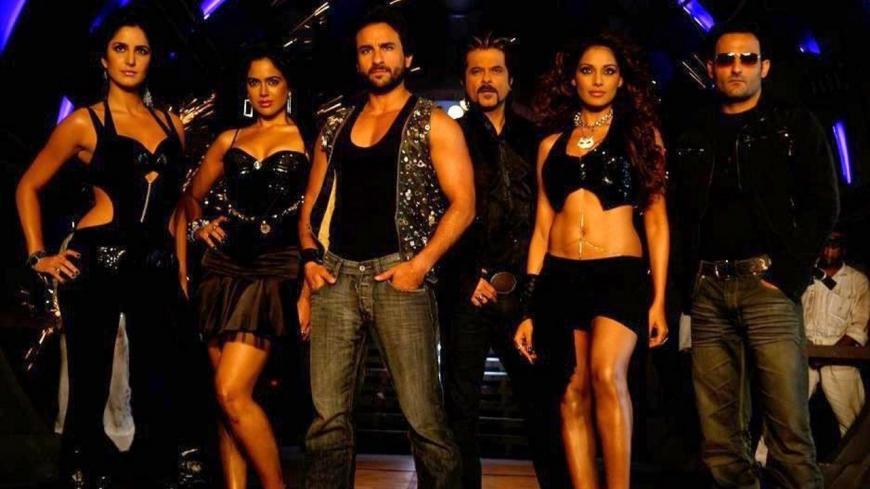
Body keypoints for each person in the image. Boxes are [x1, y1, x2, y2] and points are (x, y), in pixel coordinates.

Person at [297, 7, 474, 488]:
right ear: (357, 61)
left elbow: (464, 205)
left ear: (407, 57)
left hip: (399, 276)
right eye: (367, 50)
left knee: (425, 420)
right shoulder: (335, 125)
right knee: (326, 422)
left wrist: (420, 265)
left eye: (387, 48)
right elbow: (310, 207)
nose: (377, 58)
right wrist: (310, 263)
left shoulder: (433, 122)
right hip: (335, 278)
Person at [15, 8, 186, 488]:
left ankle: (146, 477)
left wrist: (181, 270)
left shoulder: (173, 125)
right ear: (104, 59)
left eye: (141, 50)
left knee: (156, 384)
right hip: (96, 263)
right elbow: (27, 186)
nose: (130, 59)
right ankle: (80, 476)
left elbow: (176, 207)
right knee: (89, 385)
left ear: (151, 59)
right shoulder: (84, 123)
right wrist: (38, 256)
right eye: (120, 48)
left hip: (155, 265)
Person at [669, 22, 839, 489]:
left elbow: (824, 203)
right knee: (719, 440)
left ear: (764, 67)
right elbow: (676, 213)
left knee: (789, 430)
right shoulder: (693, 131)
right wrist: (686, 285)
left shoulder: (793, 125)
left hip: (768, 285)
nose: (736, 67)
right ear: (711, 68)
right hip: (708, 289)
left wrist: (787, 275)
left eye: (747, 59)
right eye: (726, 59)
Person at [514, 32, 669, 489]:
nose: (597, 80)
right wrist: (528, 305)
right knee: (570, 390)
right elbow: (541, 227)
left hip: (618, 273)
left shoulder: (641, 137)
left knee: (606, 373)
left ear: (622, 80)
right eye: (588, 70)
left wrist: (659, 299)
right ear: (573, 79)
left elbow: (657, 222)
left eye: (608, 71)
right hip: (560, 276)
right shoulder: (549, 145)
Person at [176, 48, 309, 489]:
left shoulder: (310, 139)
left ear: (288, 86)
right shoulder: (229, 139)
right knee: (226, 398)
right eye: (254, 82)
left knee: (231, 391)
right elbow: (190, 196)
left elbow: (321, 219)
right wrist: (198, 226)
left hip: (275, 268)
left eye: (273, 80)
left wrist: (308, 290)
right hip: (222, 268)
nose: (263, 91)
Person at [440, 33, 568, 489]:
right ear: (464, 81)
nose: (486, 79)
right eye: (476, 71)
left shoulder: (537, 137)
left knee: (542, 408)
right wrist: (463, 277)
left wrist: (536, 292)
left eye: (495, 70)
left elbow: (552, 216)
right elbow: (435, 213)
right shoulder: (450, 136)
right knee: (460, 413)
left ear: (511, 80)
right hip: (467, 293)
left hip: (526, 294)